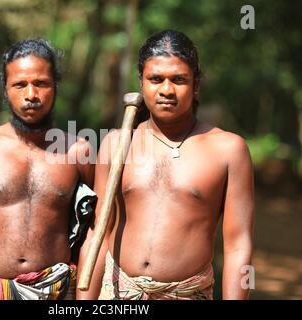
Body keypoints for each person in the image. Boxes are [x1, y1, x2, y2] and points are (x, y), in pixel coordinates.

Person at [77, 29, 254, 300]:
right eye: (156, 79)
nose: (166, 90)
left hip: (186, 293)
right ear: (141, 83)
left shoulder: (228, 150)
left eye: (179, 80)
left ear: (196, 85)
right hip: (118, 293)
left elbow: (238, 246)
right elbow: (97, 236)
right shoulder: (117, 144)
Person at [0, 38, 95, 300]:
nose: (31, 95)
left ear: (55, 87)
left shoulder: (78, 151)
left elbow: (92, 230)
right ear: (6, 89)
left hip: (55, 289)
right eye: (19, 84)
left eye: (41, 83)